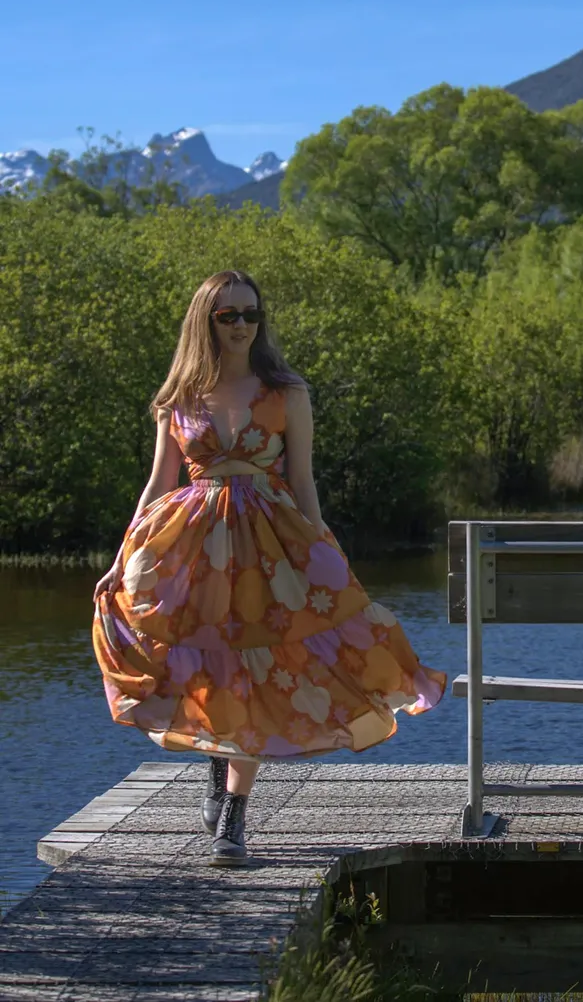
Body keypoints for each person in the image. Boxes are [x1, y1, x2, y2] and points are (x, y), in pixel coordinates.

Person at [92, 269, 446, 868]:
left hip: (269, 548)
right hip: (192, 549)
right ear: (206, 322)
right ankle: (218, 758)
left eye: (250, 314)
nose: (241, 326)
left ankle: (233, 814)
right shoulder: (177, 397)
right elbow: (160, 482)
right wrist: (124, 553)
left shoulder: (287, 393)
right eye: (227, 315)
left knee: (259, 668)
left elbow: (302, 481)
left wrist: (325, 550)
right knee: (208, 664)